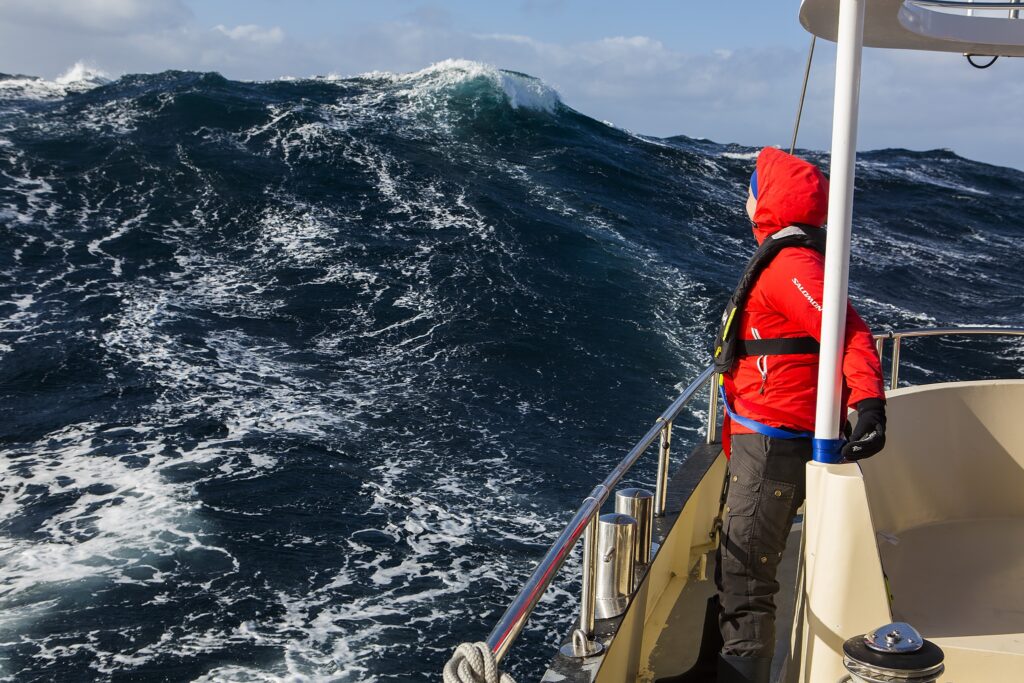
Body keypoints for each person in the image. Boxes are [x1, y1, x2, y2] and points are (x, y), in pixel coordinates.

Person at [658, 147, 887, 683]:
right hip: (756, 434)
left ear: (768, 200)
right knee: (734, 555)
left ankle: (740, 675)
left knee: (748, 571)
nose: (746, 195)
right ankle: (710, 667)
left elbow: (847, 330)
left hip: (774, 443)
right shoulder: (789, 256)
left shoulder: (791, 265)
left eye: (753, 185)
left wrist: (868, 401)